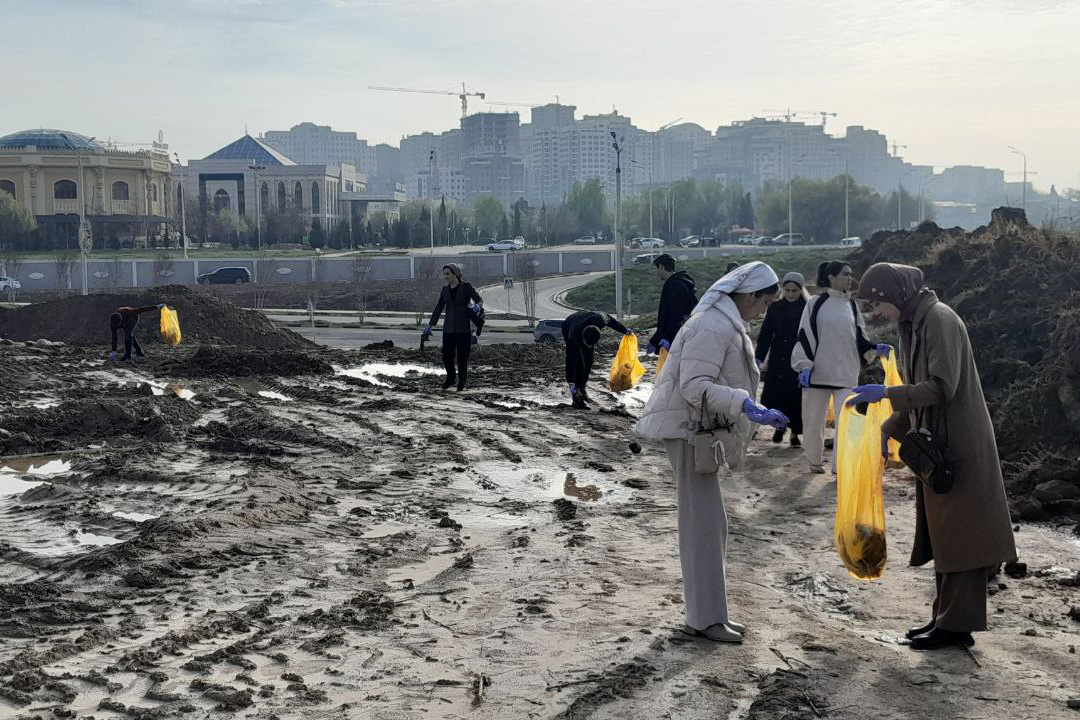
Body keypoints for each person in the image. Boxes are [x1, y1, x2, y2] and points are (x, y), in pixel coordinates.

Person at [848, 262, 1017, 651]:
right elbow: (916, 390)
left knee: (963, 536)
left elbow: (940, 387)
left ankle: (957, 625)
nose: (877, 315)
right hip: (937, 444)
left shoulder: (939, 320)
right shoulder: (915, 323)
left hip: (960, 444)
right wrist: (887, 429)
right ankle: (945, 618)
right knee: (945, 535)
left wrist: (885, 395)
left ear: (896, 295)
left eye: (878, 305)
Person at [635, 262, 788, 644]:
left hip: (696, 432)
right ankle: (703, 619)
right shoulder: (712, 324)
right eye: (765, 302)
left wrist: (744, 405)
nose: (765, 310)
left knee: (709, 524)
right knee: (702, 526)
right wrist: (743, 404)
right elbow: (694, 385)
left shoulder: (725, 323)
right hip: (688, 432)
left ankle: (709, 614)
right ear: (750, 295)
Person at [790, 261, 889, 474]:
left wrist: (874, 348)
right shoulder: (816, 303)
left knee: (847, 421)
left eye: (851, 275)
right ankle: (814, 461)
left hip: (846, 372)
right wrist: (804, 365)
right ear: (831, 277)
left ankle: (840, 466)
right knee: (814, 420)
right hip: (818, 373)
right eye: (845, 274)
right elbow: (805, 334)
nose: (850, 278)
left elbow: (860, 337)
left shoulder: (851, 306)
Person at [755, 272, 808, 447]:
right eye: (788, 290)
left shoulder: (807, 308)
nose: (791, 294)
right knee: (777, 394)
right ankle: (780, 426)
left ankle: (795, 433)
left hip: (799, 358)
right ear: (783, 290)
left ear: (801, 290)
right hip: (778, 356)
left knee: (797, 396)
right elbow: (766, 334)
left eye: (794, 290)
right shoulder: (775, 308)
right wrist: (759, 357)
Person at [424, 263, 483, 391]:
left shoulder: (466, 287)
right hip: (448, 328)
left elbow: (479, 299)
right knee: (446, 356)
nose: (445, 277)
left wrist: (478, 305)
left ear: (455, 274)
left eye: (448, 274)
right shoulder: (445, 290)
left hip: (463, 328)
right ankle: (451, 378)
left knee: (462, 357)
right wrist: (430, 325)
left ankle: (462, 382)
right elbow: (438, 308)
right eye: (444, 274)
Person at [562, 310, 631, 409]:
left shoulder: (600, 319)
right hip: (569, 324)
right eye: (587, 344)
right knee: (579, 363)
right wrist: (571, 383)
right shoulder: (574, 337)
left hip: (588, 318)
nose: (589, 347)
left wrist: (624, 330)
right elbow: (570, 362)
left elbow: (611, 321)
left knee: (589, 360)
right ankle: (576, 393)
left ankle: (582, 388)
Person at [646, 254, 697, 356]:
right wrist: (654, 340)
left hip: (677, 340)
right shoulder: (680, 283)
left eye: (657, 268)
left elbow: (676, 315)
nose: (657, 273)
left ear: (661, 266)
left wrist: (667, 337)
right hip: (677, 337)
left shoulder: (675, 285)